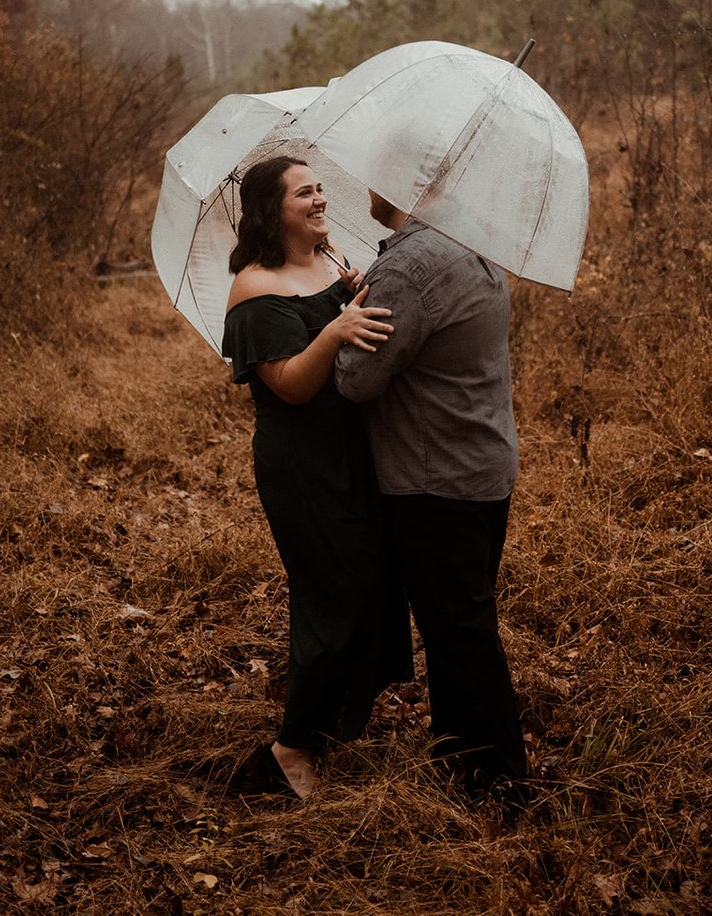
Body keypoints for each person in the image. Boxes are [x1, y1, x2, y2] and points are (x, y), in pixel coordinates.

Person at [221, 156, 412, 799]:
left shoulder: (327, 262)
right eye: (304, 192)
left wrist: (350, 295)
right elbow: (294, 386)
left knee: (373, 582)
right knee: (332, 596)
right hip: (303, 465)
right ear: (273, 212)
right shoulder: (254, 288)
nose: (320, 199)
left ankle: (332, 721)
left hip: (353, 452)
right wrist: (334, 329)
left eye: (321, 187)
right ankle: (289, 750)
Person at [335, 190, 527, 808]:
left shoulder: (409, 267)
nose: (364, 186)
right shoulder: (474, 240)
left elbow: (358, 380)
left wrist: (340, 325)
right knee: (457, 621)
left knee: (461, 628)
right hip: (482, 462)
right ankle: (457, 753)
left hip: (434, 475)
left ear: (399, 182)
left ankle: (501, 779)